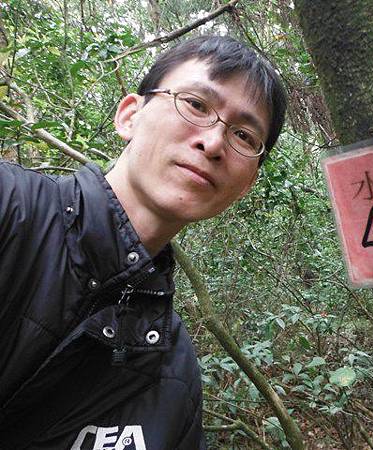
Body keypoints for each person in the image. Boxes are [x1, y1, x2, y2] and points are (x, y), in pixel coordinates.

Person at [0, 35, 287, 450]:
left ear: (247, 184)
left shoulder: (174, 372)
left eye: (244, 136)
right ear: (129, 116)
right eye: (197, 104)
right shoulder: (11, 209)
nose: (213, 144)